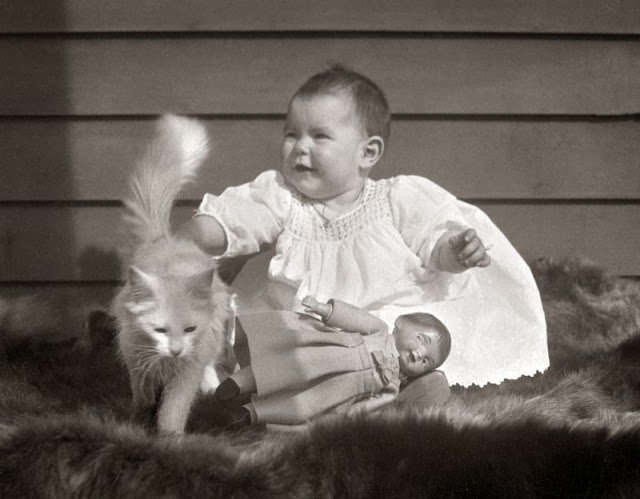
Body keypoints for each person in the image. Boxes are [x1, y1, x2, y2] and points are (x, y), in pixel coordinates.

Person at [178, 64, 548, 387]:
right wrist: (208, 232)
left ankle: (404, 384)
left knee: (411, 336)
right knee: (281, 347)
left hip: (385, 321)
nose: (299, 147)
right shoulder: (281, 197)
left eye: (319, 136)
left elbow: (432, 245)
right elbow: (244, 216)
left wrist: (454, 251)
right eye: (291, 134)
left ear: (367, 153)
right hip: (312, 327)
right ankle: (348, 389)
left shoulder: (396, 198)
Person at [214, 296, 452, 428]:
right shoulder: (379, 331)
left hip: (331, 394)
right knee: (283, 368)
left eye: (427, 362)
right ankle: (238, 382)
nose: (421, 354)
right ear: (401, 323)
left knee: (299, 407)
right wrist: (326, 310)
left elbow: (366, 408)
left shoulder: (391, 387)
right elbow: (355, 318)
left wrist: (347, 420)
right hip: (322, 355)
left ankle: (250, 414)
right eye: (422, 340)